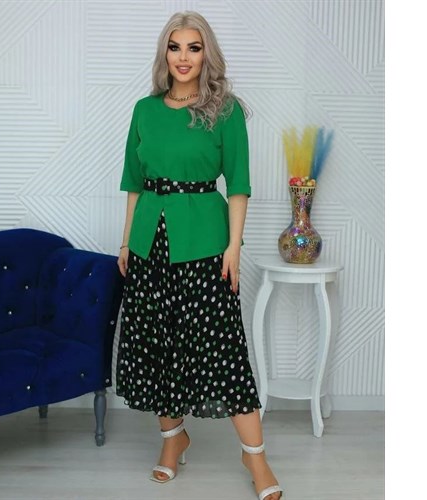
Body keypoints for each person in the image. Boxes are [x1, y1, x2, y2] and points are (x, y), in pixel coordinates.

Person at [116, 11, 283, 500]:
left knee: (223, 351)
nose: (183, 57)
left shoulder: (225, 110)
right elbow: (134, 184)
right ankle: (173, 440)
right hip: (149, 244)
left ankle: (256, 458)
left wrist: (234, 247)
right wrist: (126, 242)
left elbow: (239, 186)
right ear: (164, 54)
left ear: (206, 53)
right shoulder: (144, 110)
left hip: (206, 243)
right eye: (175, 47)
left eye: (193, 47)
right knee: (158, 347)